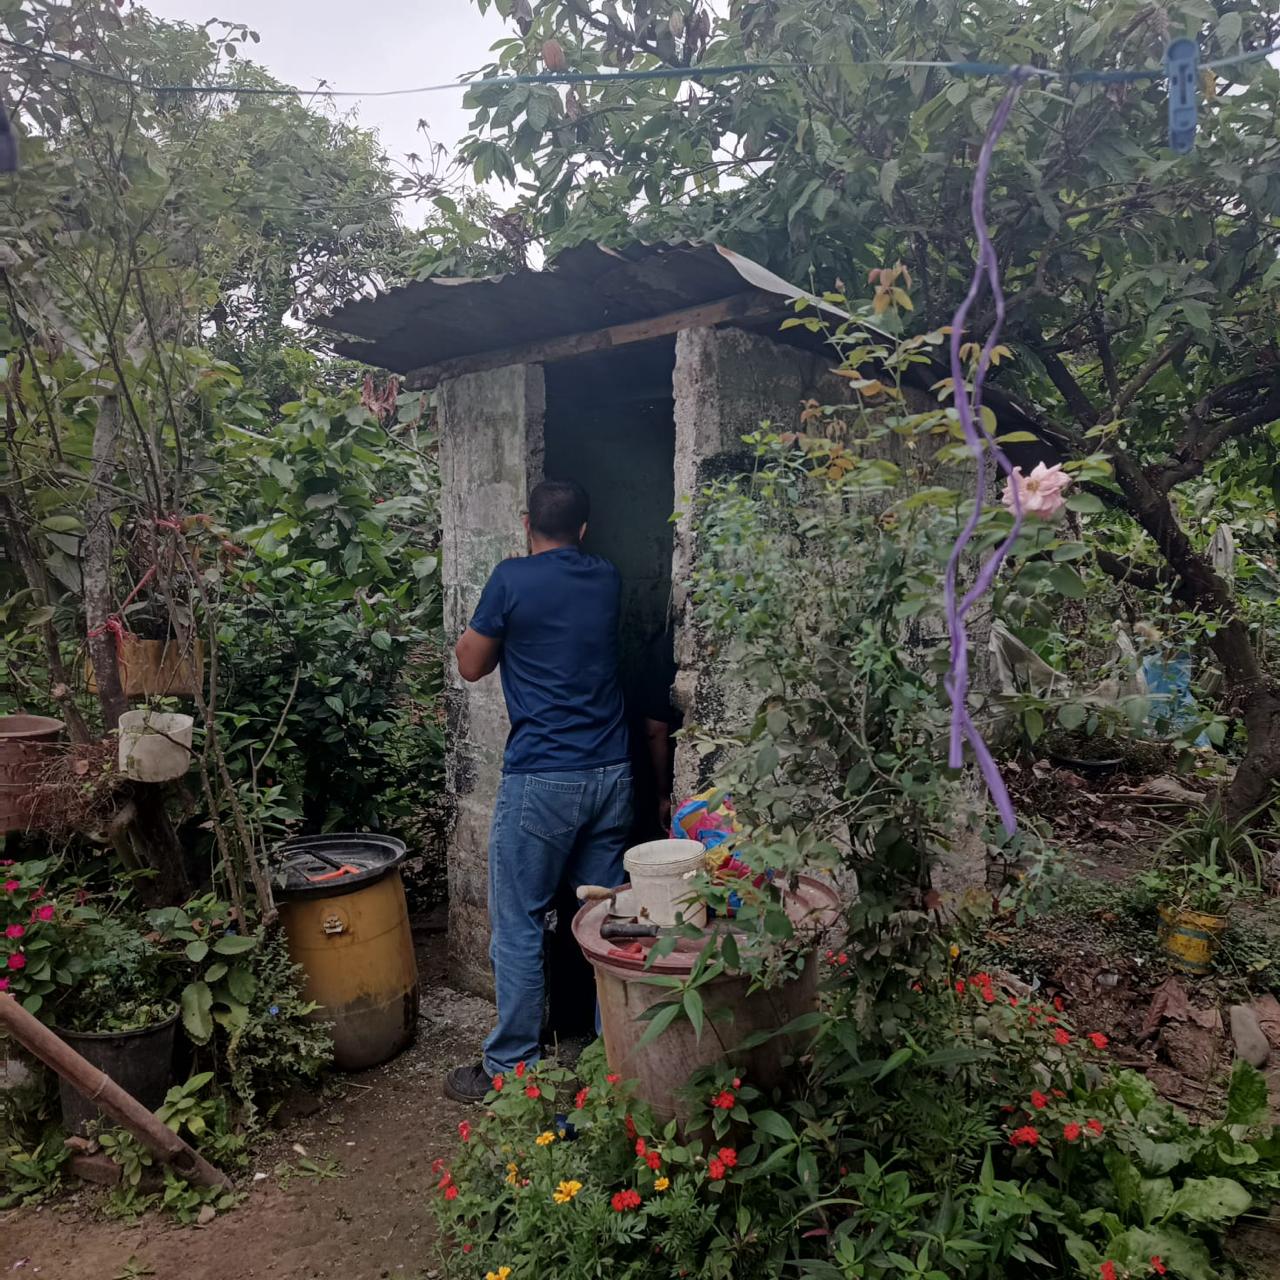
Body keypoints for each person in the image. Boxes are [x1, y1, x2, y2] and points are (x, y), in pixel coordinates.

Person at [445, 479, 633, 1103]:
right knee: (602, 918)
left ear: (527, 523)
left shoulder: (511, 579)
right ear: (584, 529)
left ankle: (510, 1070)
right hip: (612, 772)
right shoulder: (607, 577)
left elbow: (471, 663)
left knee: (520, 923)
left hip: (543, 778)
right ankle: (612, 1061)